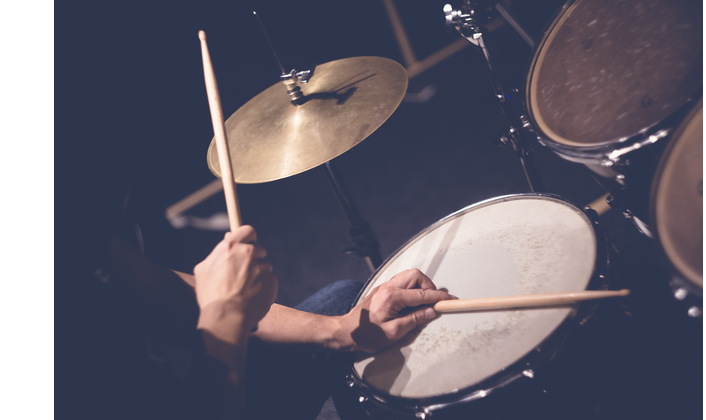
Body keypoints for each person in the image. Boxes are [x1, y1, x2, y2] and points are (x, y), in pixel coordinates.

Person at [56, 164, 454, 419]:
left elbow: (162, 292)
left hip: (172, 390)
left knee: (348, 302)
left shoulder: (64, 218)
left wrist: (341, 331)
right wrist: (224, 316)